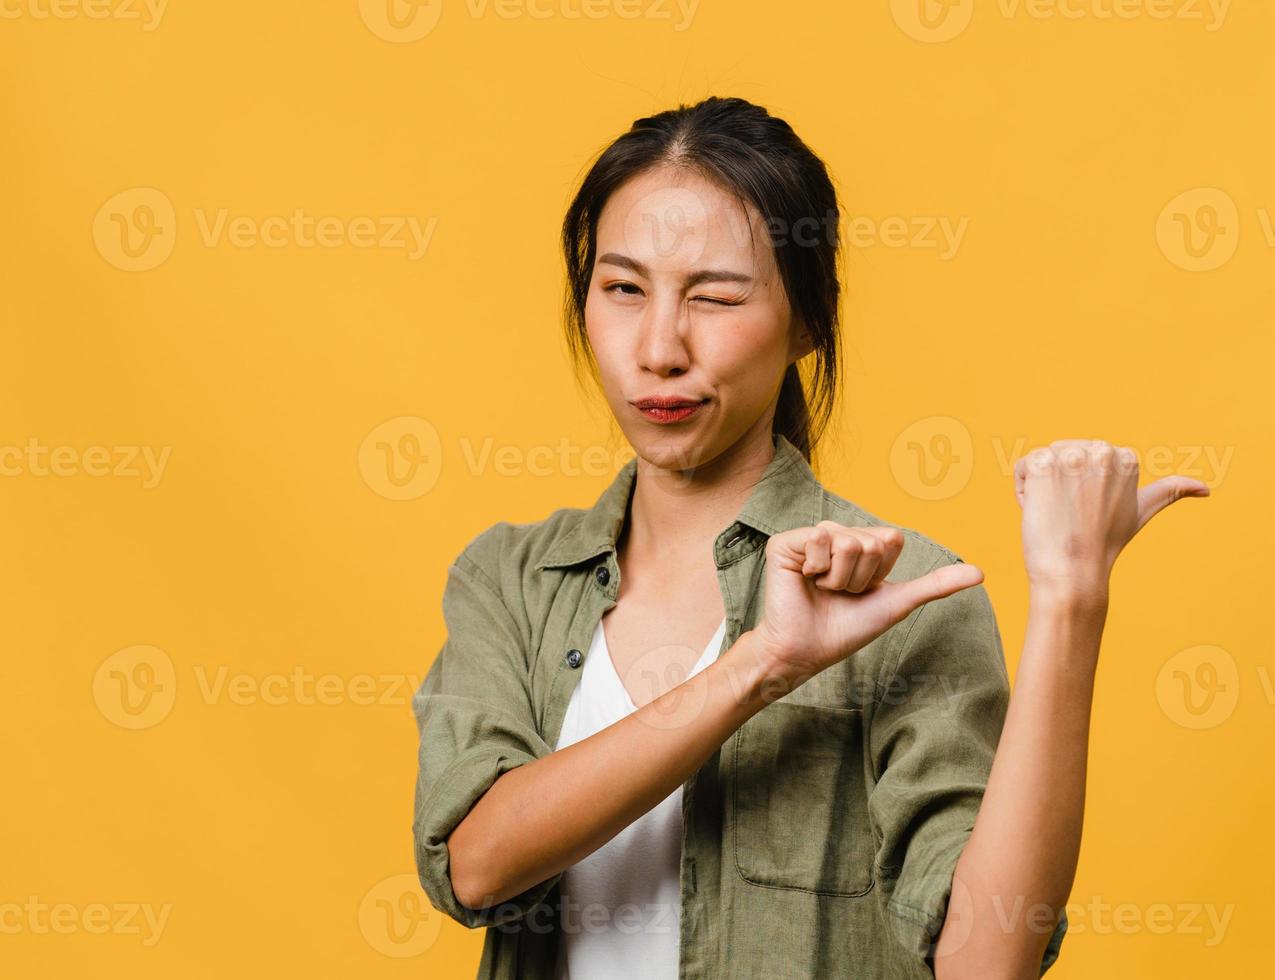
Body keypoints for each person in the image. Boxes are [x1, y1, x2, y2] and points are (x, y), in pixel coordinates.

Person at [410, 95, 1209, 980]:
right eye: (622, 289)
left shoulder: (905, 599)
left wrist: (1071, 598)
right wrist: (762, 665)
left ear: (805, 323)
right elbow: (474, 865)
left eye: (714, 296)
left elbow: (988, 963)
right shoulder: (511, 579)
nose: (660, 347)